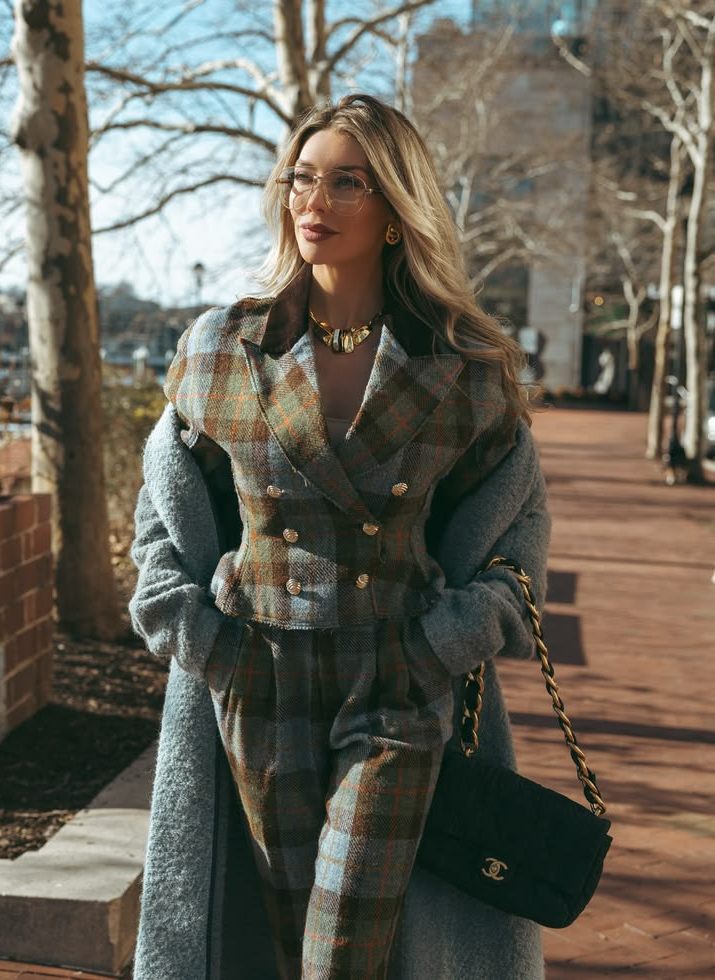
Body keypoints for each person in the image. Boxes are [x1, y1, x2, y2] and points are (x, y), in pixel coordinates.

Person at [129, 93, 551, 979]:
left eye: (346, 183)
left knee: (343, 945)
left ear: (395, 210)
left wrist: (454, 637)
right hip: (258, 672)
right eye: (302, 178)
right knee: (286, 942)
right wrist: (192, 631)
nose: (313, 201)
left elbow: (517, 524)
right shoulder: (222, 349)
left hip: (397, 678)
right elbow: (162, 505)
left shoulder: (461, 366)